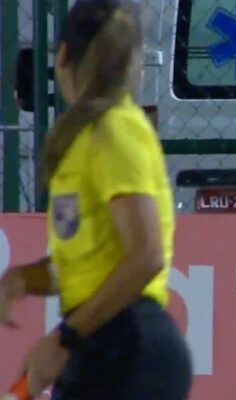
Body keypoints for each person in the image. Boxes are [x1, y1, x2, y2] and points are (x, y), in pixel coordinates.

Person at [0, 1, 192, 399]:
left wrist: (64, 339)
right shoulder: (86, 139)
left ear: (63, 56)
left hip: (128, 347)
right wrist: (21, 280)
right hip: (102, 345)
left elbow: (146, 255)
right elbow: (86, 265)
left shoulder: (116, 130)